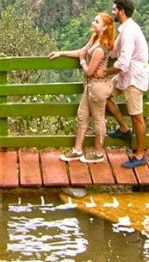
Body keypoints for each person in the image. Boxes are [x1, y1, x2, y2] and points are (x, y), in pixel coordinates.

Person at [49, 13, 115, 163]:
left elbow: (89, 71)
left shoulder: (101, 48)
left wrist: (81, 62)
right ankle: (77, 150)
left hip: (98, 87)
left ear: (105, 27)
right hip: (90, 86)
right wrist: (61, 53)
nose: (93, 22)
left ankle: (98, 154)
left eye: (96, 21)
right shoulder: (94, 39)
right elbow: (81, 52)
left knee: (98, 120)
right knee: (82, 115)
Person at [104, 0, 149, 168]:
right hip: (125, 76)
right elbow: (114, 53)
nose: (112, 12)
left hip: (133, 79)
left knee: (137, 117)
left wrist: (105, 71)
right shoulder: (125, 30)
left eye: (114, 9)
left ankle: (140, 155)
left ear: (122, 11)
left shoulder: (129, 32)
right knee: (104, 94)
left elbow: (122, 62)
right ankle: (123, 129)